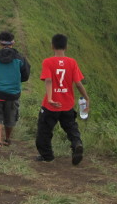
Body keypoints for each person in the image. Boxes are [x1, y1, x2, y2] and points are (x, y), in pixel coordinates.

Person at [35, 33, 89, 165]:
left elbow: (48, 80)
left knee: (44, 131)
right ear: (66, 47)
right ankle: (76, 144)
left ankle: (47, 156)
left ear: (52, 46)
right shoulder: (72, 62)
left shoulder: (47, 62)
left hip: (51, 106)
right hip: (67, 104)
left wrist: (50, 98)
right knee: (71, 128)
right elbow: (78, 83)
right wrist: (87, 98)